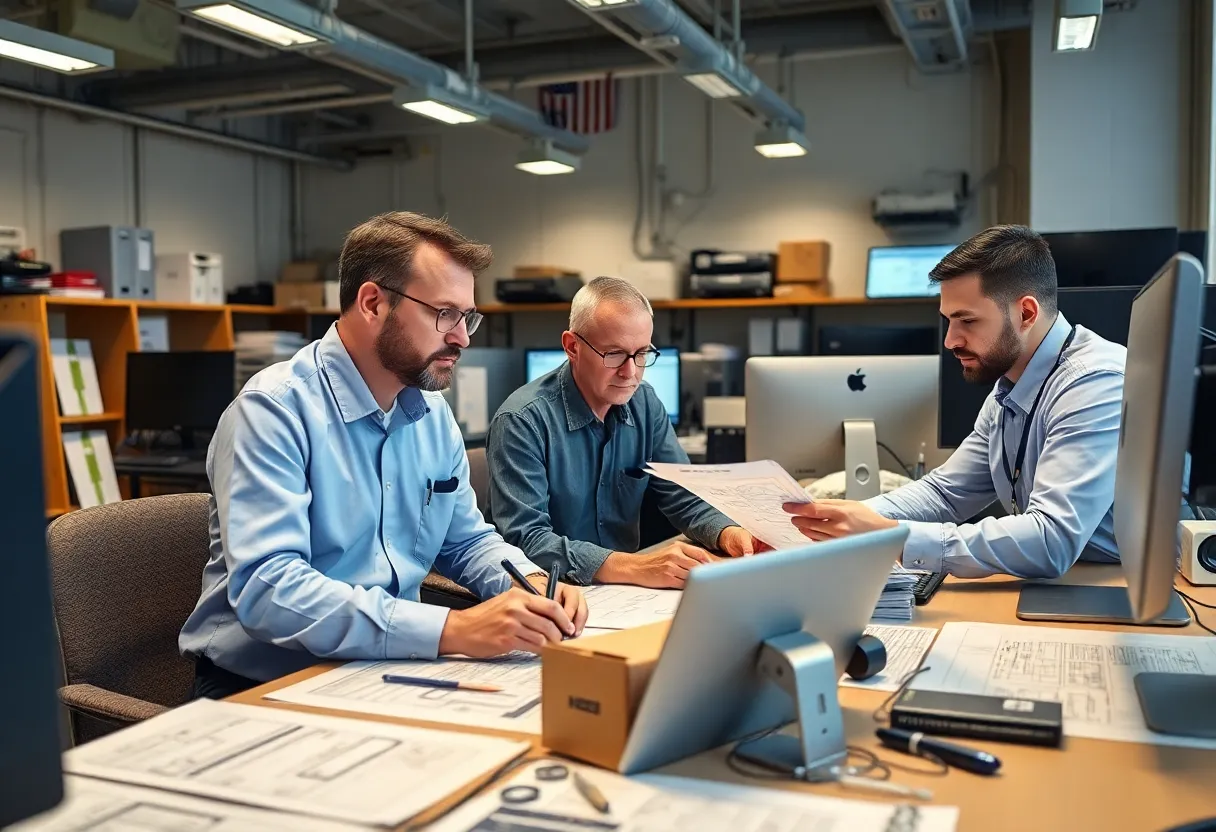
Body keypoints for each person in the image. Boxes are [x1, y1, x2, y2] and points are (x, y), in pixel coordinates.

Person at [180, 212, 587, 699]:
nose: (463, 337)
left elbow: (465, 541)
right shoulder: (273, 410)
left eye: (468, 316)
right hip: (265, 684)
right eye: (445, 314)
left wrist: (530, 583)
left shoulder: (431, 415)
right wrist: (452, 630)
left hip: (385, 668)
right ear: (372, 303)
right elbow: (271, 592)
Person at [784, 225, 1127, 579]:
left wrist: (890, 537)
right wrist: (834, 521)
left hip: (1118, 584)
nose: (950, 341)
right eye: (948, 321)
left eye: (967, 321)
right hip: (1072, 580)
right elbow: (945, 493)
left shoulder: (1093, 382)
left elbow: (1050, 540)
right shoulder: (1011, 384)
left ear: (1026, 313)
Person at [486, 277, 762, 589]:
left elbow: (684, 496)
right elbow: (528, 540)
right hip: (552, 592)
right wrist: (634, 565)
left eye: (641, 353)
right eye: (614, 354)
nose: (630, 372)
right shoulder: (522, 421)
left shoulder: (645, 403)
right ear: (572, 347)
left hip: (627, 592)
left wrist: (731, 534)